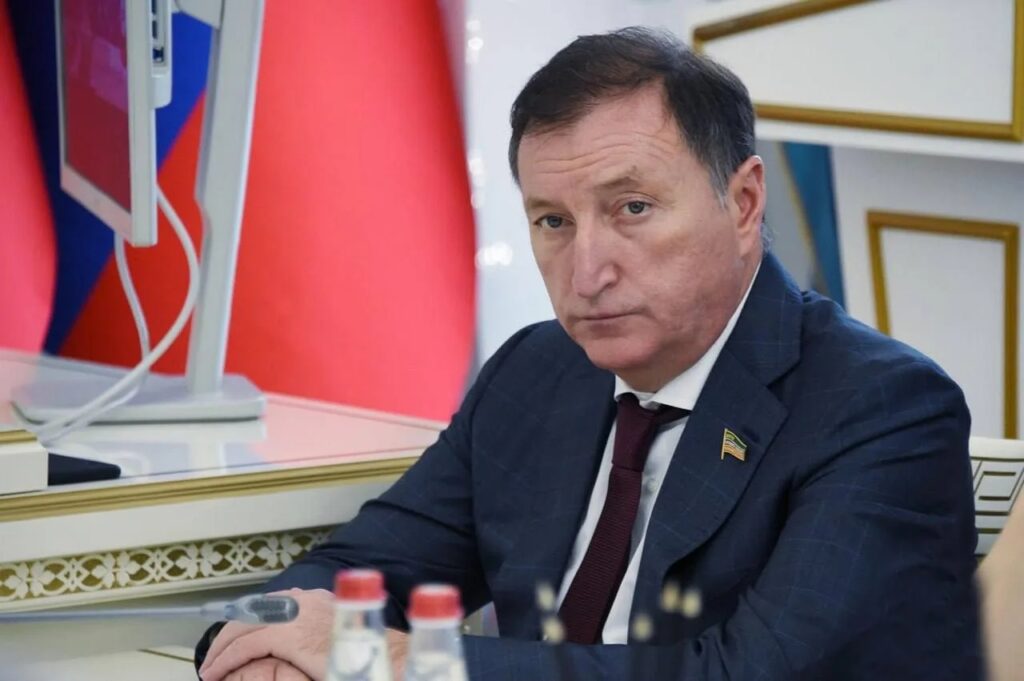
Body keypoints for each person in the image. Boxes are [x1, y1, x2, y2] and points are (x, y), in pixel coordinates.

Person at [196, 27, 982, 680]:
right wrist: (264, 653)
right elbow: (356, 571)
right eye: (553, 221)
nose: (586, 271)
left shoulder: (880, 408)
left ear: (743, 203)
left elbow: (750, 672)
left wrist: (398, 659)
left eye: (631, 208)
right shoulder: (536, 371)